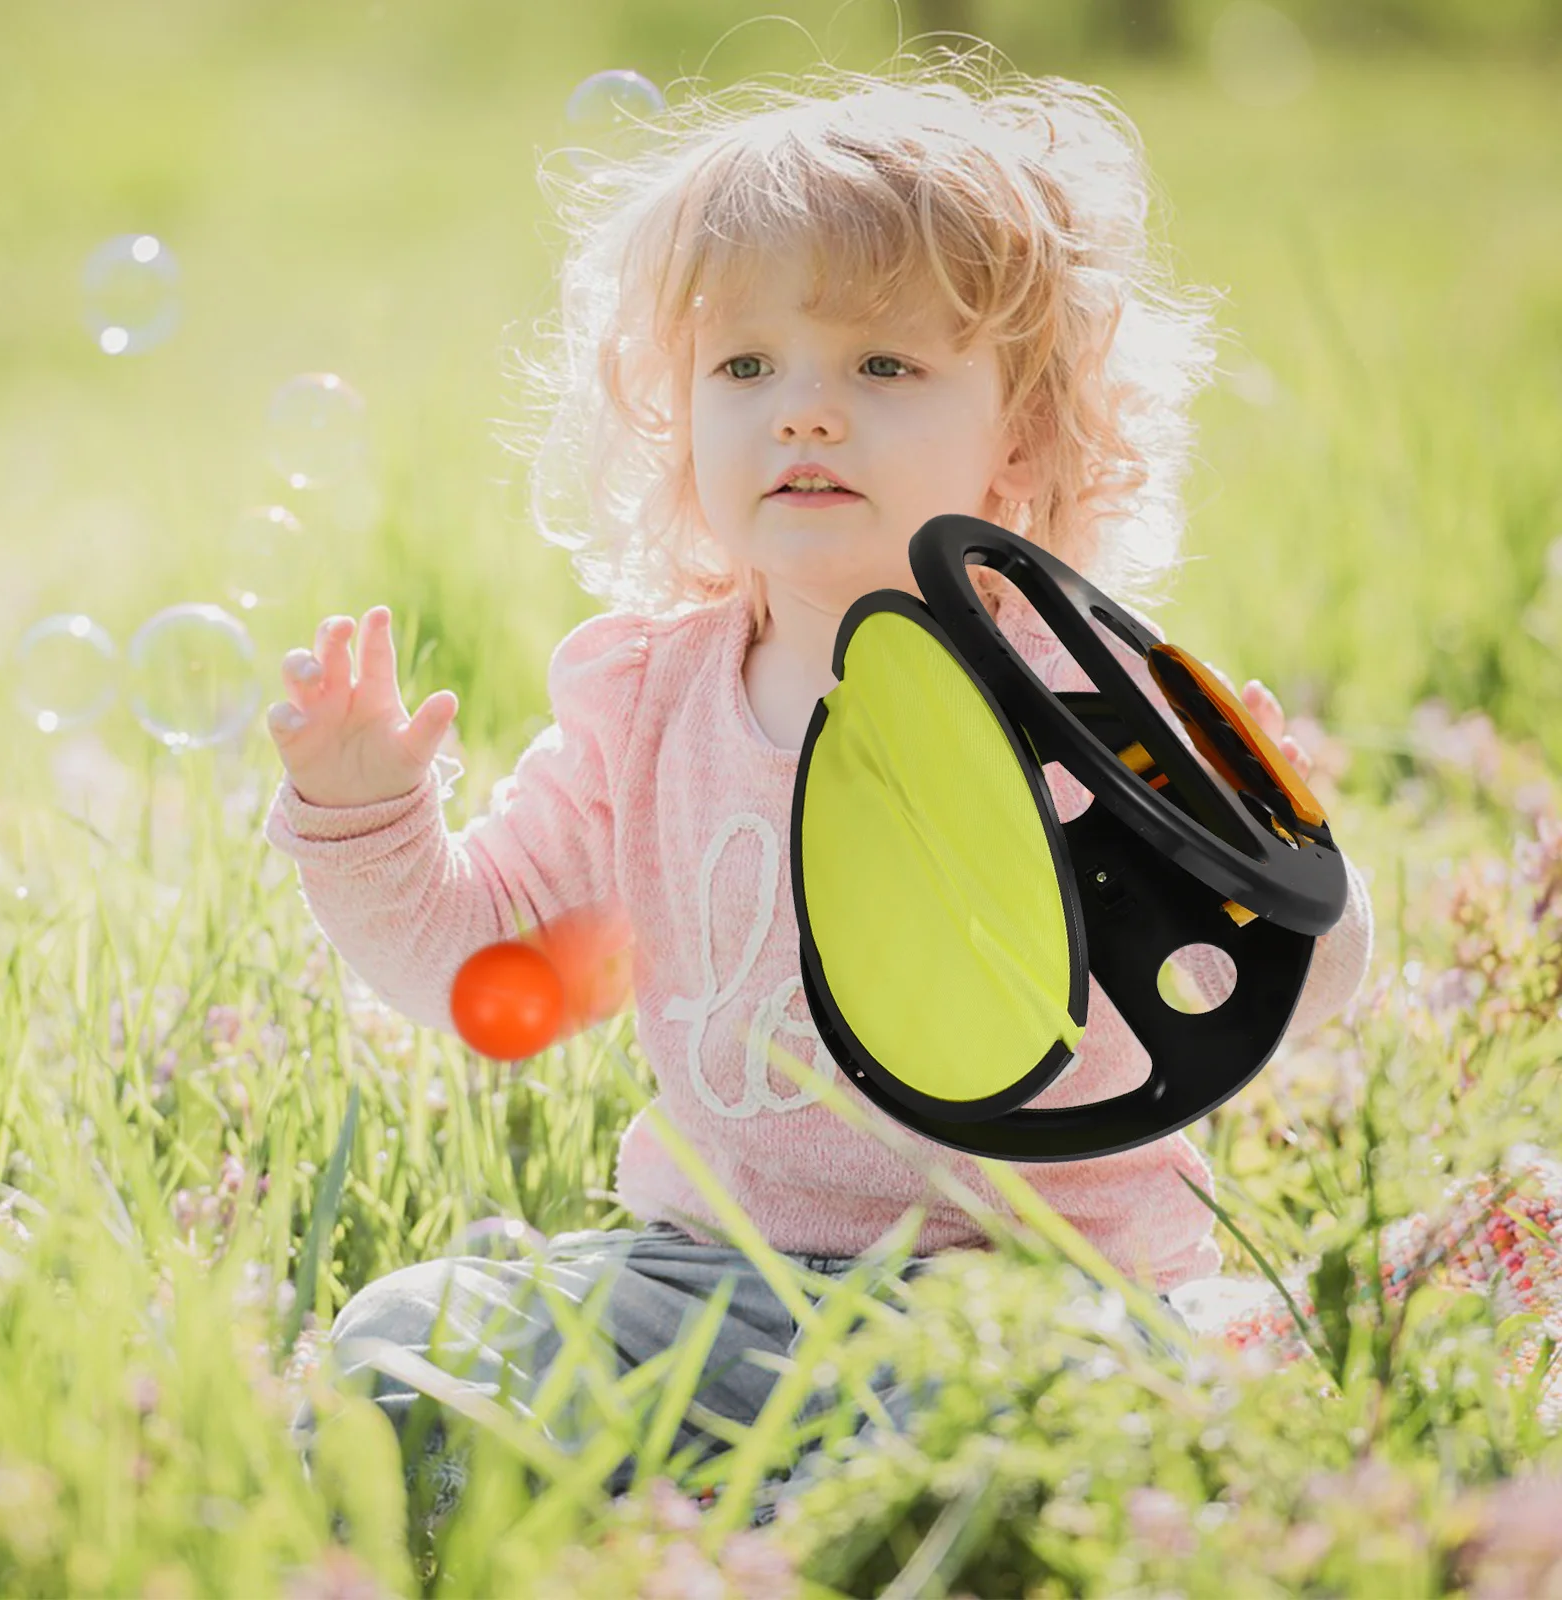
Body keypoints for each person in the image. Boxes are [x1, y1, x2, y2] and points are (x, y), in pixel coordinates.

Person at [262, 51, 1375, 1534]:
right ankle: (778, 1507)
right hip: (709, 1281)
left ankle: (806, 1517)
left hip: (1024, 1291)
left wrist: (1269, 859)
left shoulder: (1083, 698)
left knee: (1049, 1408)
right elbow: (483, 971)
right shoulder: (648, 704)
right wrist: (366, 817)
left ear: (1024, 436)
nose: (803, 412)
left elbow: (1299, 980)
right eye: (744, 368)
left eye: (882, 366)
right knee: (415, 1330)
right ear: (677, 422)